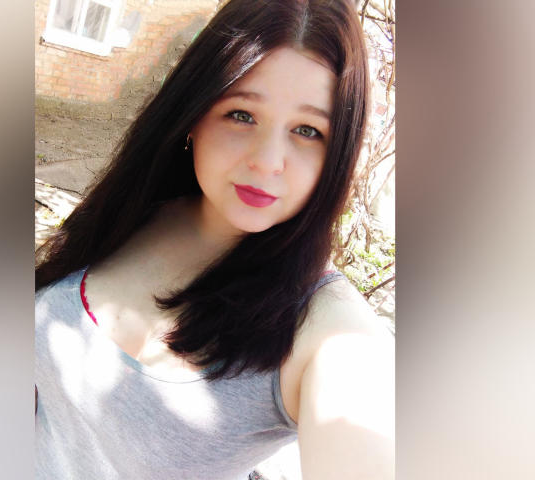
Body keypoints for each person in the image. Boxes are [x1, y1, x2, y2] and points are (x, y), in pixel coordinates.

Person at [35, 0, 394, 478]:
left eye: (308, 130)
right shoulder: (137, 210)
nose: (268, 161)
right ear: (194, 112)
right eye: (242, 114)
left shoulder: (327, 330)